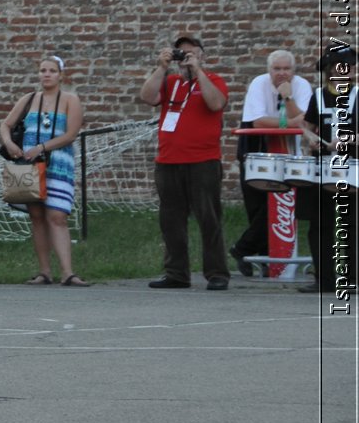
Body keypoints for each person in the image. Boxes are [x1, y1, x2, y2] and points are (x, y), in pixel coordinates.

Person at [138, 34, 230, 290]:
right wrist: (162, 66)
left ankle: (217, 273)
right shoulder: (171, 83)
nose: (185, 56)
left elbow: (216, 103)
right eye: (181, 52)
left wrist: (197, 70)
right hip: (168, 160)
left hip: (203, 161)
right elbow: (146, 96)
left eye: (191, 52)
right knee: (171, 220)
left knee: (209, 218)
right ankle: (176, 273)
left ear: (202, 54)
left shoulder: (214, 81)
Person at [0, 55, 87, 286]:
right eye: (42, 70)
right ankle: (44, 271)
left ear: (60, 75)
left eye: (52, 70)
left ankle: (67, 272)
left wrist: (43, 147)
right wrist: (9, 143)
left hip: (58, 164)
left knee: (57, 215)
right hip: (29, 165)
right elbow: (6, 124)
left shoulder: (70, 100)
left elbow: (71, 134)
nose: (46, 74)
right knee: (37, 216)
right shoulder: (29, 99)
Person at [229, 50, 314, 277]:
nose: (282, 73)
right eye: (277, 69)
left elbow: (305, 122)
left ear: (294, 71)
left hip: (288, 146)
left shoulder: (302, 86)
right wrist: (290, 121)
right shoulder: (259, 83)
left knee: (282, 200)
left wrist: (288, 97)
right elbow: (257, 121)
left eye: (287, 69)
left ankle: (244, 250)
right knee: (257, 204)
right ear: (269, 70)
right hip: (257, 144)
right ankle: (260, 258)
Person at [301, 45, 353, 292]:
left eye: (349, 67)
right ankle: (324, 278)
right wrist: (309, 137)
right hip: (322, 167)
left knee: (351, 223)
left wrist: (348, 141)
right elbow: (306, 126)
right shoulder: (319, 95)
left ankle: (352, 277)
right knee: (320, 224)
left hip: (352, 166)